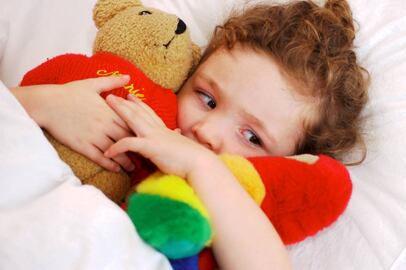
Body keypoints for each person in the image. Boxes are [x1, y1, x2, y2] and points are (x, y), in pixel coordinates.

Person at [10, 0, 368, 269]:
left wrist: (201, 167)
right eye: (207, 99)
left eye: (252, 137)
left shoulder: (241, 219)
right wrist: (42, 103)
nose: (207, 131)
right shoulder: (125, 111)